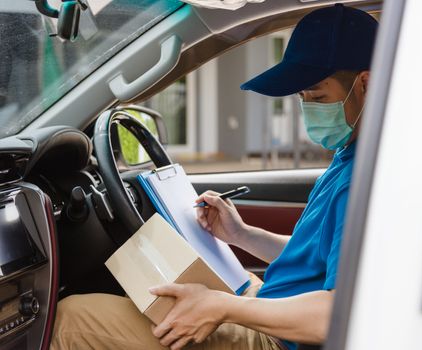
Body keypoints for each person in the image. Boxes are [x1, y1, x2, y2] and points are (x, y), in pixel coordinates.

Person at [50, 4, 377, 350]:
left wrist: (223, 306)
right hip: (267, 303)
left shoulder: (366, 182)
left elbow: (337, 315)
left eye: (317, 95)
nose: (306, 106)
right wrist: (242, 235)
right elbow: (313, 256)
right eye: (301, 96)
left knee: (72, 319)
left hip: (282, 340)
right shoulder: (351, 156)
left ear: (366, 84)